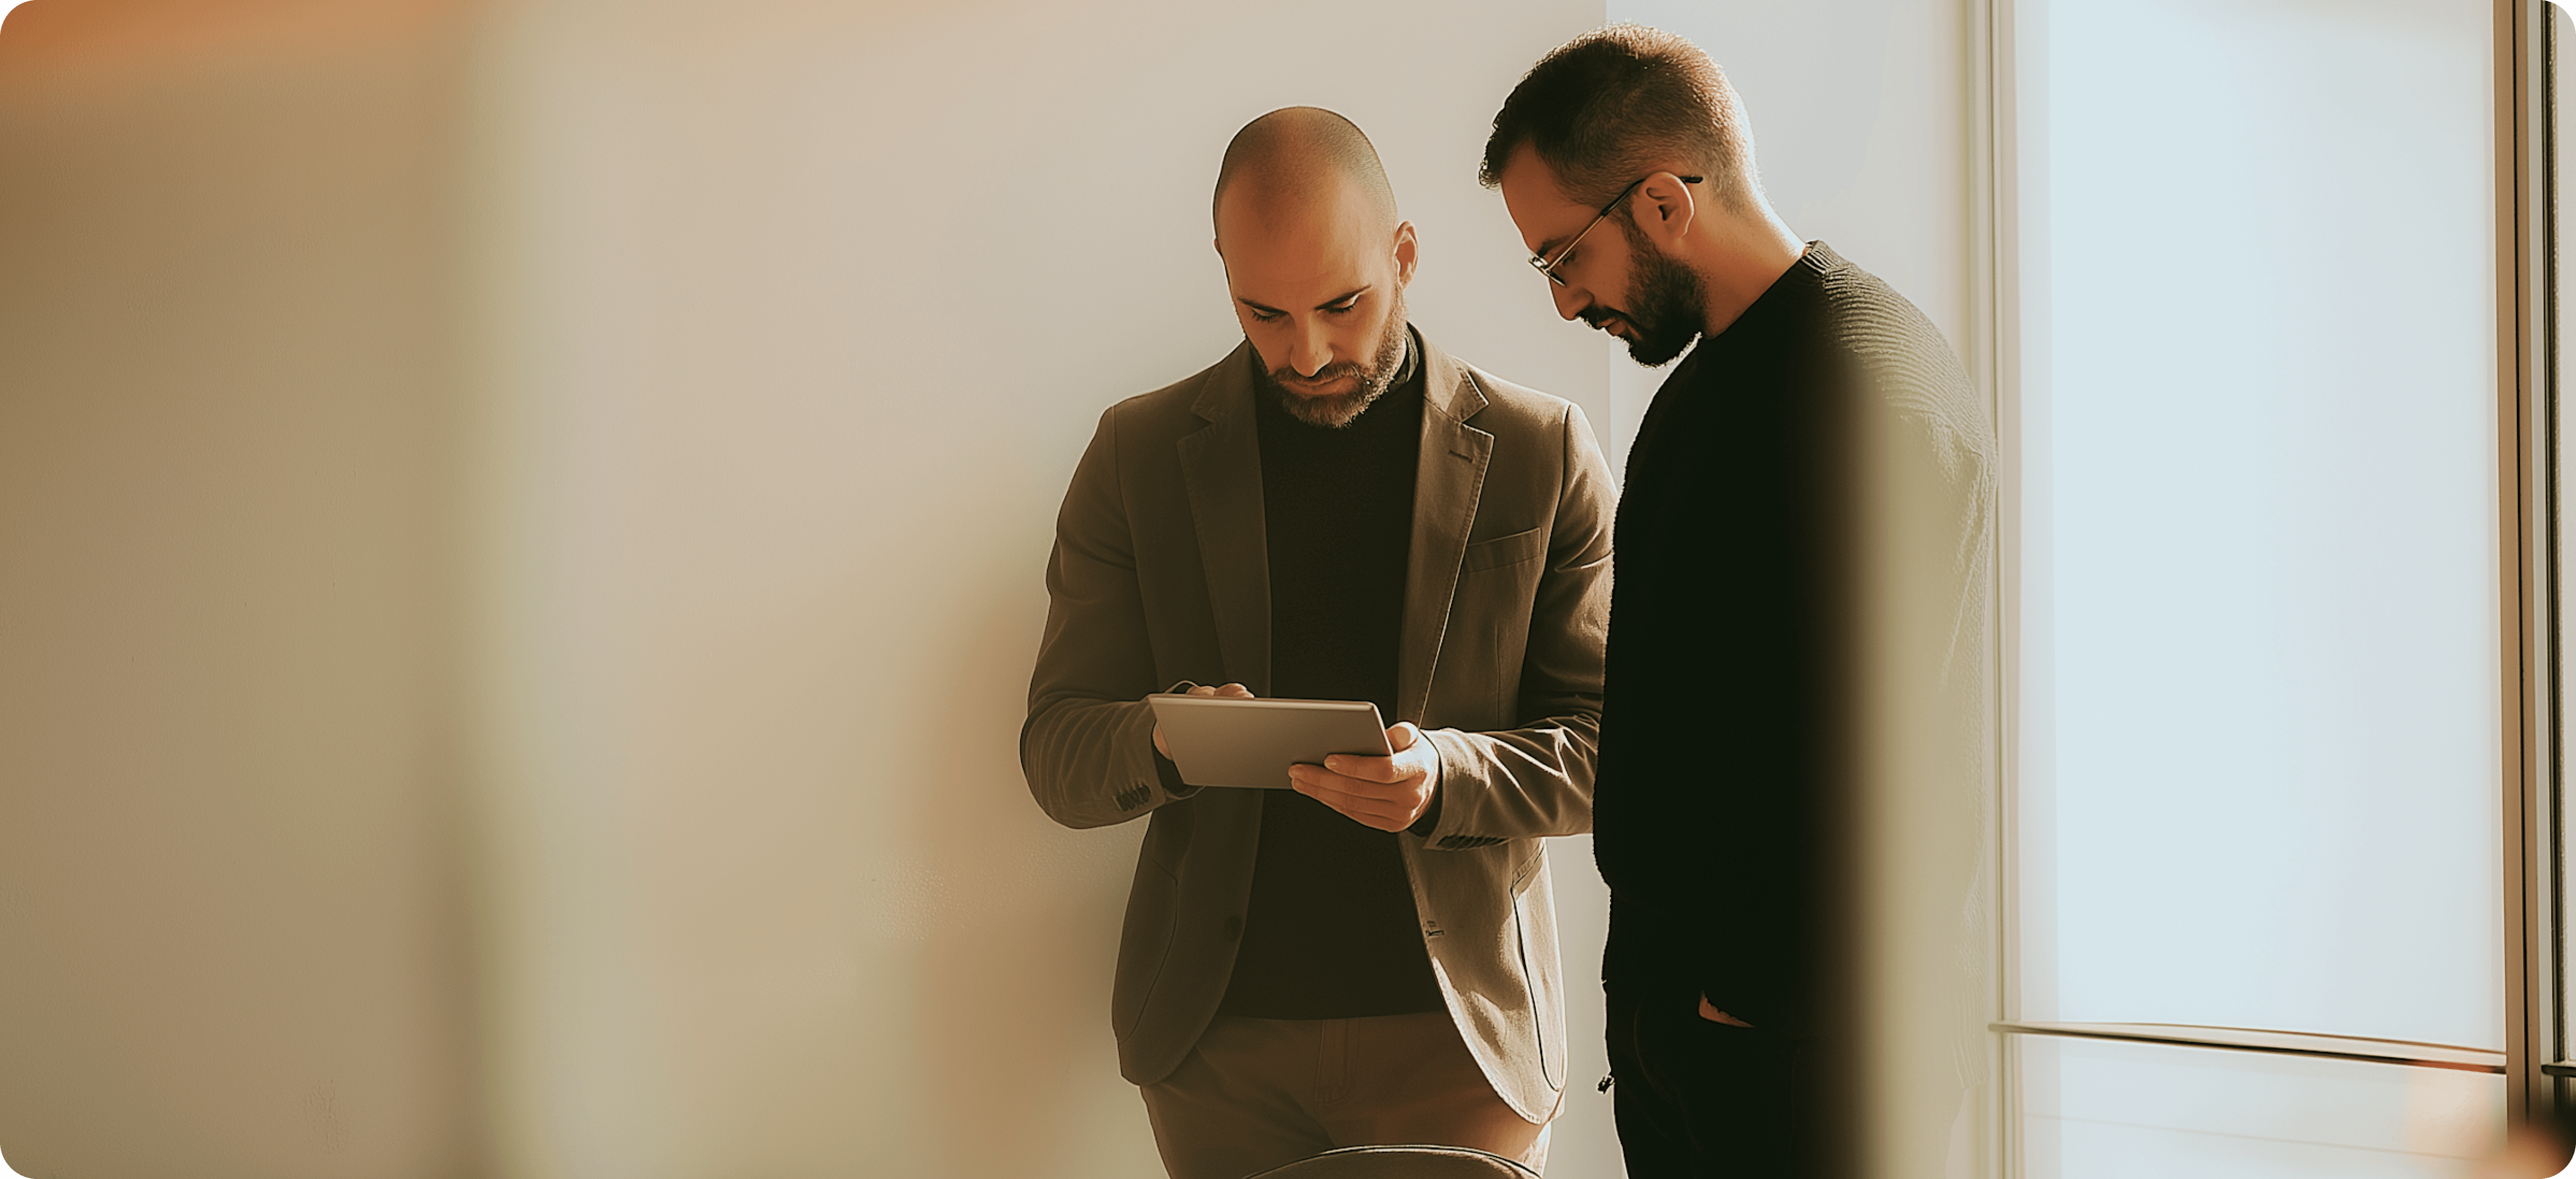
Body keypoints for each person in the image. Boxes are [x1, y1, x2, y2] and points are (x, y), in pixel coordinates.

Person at [1021, 107, 1616, 1179]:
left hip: (1461, 1040)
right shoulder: (1138, 453)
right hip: (1217, 1050)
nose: (1309, 351)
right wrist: (1170, 737)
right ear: (1223, 272)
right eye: (1265, 312)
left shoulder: (1543, 452)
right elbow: (1058, 751)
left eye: (1344, 304)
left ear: (1405, 255)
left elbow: (1619, 747)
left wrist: (1447, 772)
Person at [1481, 25, 1996, 1179]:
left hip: (1809, 1050)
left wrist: (1743, 1003)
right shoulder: (1703, 388)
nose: (1565, 303)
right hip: (1702, 1031)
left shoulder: (1873, 392)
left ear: (1664, 201)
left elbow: (1880, 752)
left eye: (1565, 256)